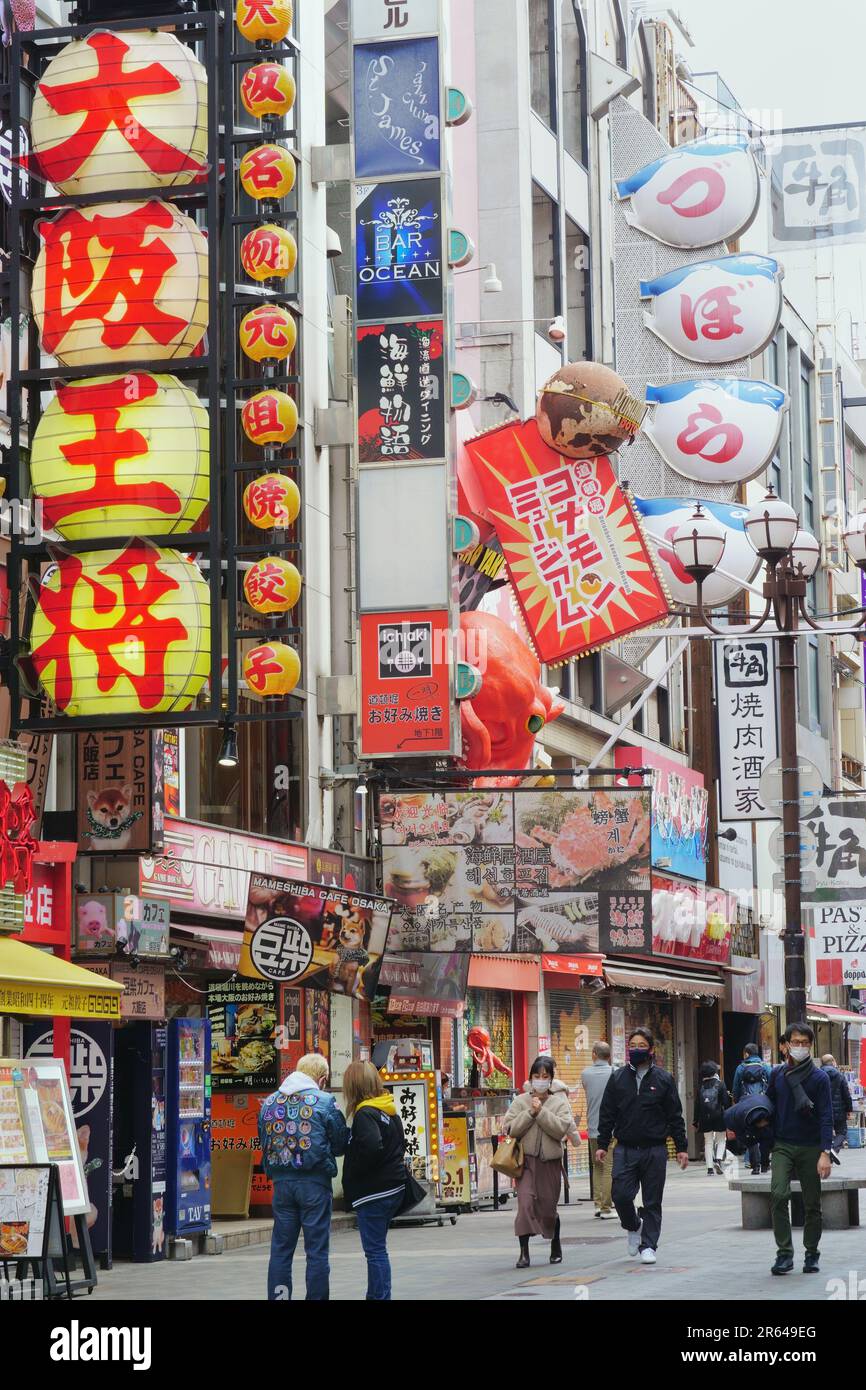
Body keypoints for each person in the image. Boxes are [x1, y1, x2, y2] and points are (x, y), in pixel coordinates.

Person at [595, 1027, 689, 1266]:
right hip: (625, 1148)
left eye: (641, 1046)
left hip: (655, 1150)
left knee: (652, 1201)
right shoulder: (617, 1078)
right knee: (620, 1196)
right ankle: (634, 1225)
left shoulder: (664, 1079)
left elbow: (675, 1116)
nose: (636, 1050)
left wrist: (681, 1147)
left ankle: (648, 1245)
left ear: (651, 1049)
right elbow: (606, 1113)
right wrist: (603, 1143)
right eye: (632, 1046)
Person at [259, 1053, 348, 1300]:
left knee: (281, 1250)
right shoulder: (325, 1101)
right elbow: (341, 1144)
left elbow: (263, 1140)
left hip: (281, 1184)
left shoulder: (269, 1102)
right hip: (315, 1185)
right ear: (321, 1079)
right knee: (316, 1251)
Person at [765, 1022, 833, 1277]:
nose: (800, 1047)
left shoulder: (820, 1078)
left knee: (812, 1204)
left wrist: (825, 1152)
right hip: (782, 1144)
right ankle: (784, 1254)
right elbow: (769, 1103)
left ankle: (812, 1252)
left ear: (811, 1046)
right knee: (779, 1195)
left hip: (811, 1147)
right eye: (796, 1042)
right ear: (786, 1045)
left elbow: (826, 1116)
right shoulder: (777, 1075)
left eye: (805, 1043)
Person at [341, 1060, 407, 1301]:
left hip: (375, 1192)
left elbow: (370, 1147)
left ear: (355, 1086)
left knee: (375, 1251)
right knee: (378, 1249)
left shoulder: (364, 1114)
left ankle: (378, 1296)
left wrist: (355, 1173)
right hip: (394, 1186)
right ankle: (378, 1294)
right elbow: (401, 1143)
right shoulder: (386, 1108)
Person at [502, 1055, 574, 1268]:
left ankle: (555, 1241)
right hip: (525, 1163)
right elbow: (511, 1128)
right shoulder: (520, 1101)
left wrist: (541, 1113)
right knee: (524, 1204)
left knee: (547, 1208)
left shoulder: (558, 1102)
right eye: (537, 1076)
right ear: (531, 1077)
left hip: (550, 1164)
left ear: (551, 1080)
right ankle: (524, 1253)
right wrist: (530, 1112)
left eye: (545, 1076)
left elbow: (560, 1129)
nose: (541, 1080)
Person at [581, 1042, 616, 1218]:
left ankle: (597, 1204)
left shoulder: (585, 1074)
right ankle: (606, 1207)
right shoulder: (615, 1073)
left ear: (594, 1054)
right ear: (609, 1056)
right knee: (608, 1167)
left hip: (593, 1127)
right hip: (611, 1129)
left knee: (597, 1166)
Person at [732, 1043, 772, 1174]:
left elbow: (736, 1089)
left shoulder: (740, 1068)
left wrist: (738, 1102)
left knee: (751, 1134)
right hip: (763, 1103)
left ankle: (755, 1166)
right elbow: (772, 1085)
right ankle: (765, 1164)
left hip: (747, 1104)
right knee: (765, 1132)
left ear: (746, 1054)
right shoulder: (765, 1067)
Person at [693, 1061, 731, 1176]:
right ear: (714, 1071)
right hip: (718, 1116)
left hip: (704, 1118)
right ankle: (718, 1159)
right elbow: (725, 1102)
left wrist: (695, 1120)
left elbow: (697, 1105)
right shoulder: (720, 1084)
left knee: (708, 1142)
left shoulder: (701, 1087)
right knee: (721, 1140)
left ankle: (709, 1169)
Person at [724, 1092, 774, 1172]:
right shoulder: (739, 1114)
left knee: (757, 1141)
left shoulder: (738, 1111)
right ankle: (761, 1166)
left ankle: (758, 1166)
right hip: (752, 1113)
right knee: (754, 1140)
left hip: (756, 1111)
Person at [820, 1054, 853, 1153]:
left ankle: (826, 1151)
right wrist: (849, 1109)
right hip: (839, 1110)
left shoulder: (818, 1075)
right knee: (842, 1131)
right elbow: (846, 1095)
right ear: (833, 1061)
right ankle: (834, 1149)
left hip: (823, 1110)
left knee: (825, 1131)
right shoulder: (840, 1075)